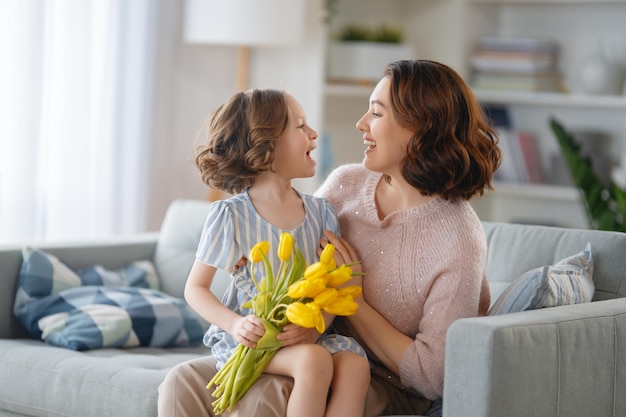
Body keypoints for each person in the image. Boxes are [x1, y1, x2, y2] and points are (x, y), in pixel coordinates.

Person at [158, 60, 501, 416]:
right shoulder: (345, 185)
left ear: (419, 129)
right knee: (182, 380)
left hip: (383, 381)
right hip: (302, 347)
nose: (361, 124)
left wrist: (353, 302)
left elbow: (431, 377)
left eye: (376, 113)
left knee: (273, 395)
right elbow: (295, 259)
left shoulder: (457, 239)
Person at [158, 89, 370, 417]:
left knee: (355, 367)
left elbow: (330, 291)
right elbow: (195, 289)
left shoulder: (322, 213)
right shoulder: (229, 215)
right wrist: (235, 325)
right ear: (265, 145)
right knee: (313, 361)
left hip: (307, 335)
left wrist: (315, 328)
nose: (313, 133)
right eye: (300, 126)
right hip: (252, 340)